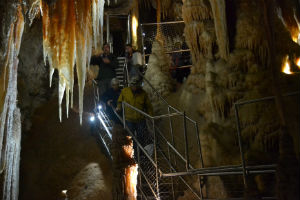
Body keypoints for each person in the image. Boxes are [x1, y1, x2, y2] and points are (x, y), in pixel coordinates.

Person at [117, 75, 153, 149]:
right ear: (130, 85)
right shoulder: (125, 91)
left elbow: (148, 106)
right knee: (130, 136)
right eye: (133, 85)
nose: (134, 87)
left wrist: (151, 116)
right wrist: (119, 107)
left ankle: (141, 151)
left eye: (136, 85)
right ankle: (132, 151)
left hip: (140, 119)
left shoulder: (143, 93)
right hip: (129, 119)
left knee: (141, 136)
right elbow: (120, 101)